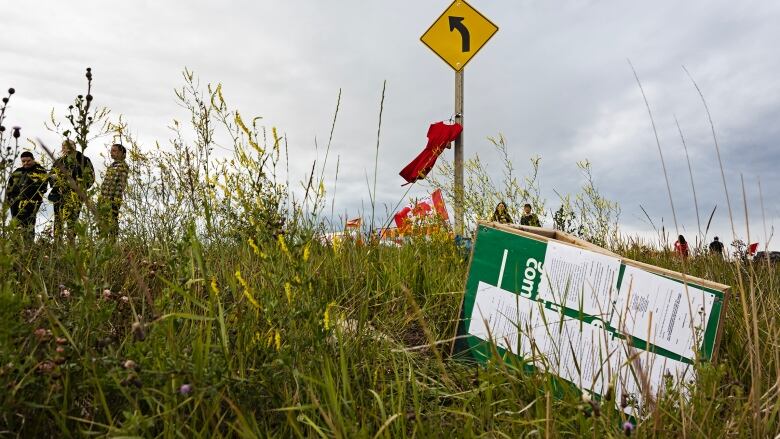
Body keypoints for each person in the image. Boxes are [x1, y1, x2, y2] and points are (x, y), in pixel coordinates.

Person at [48, 140, 94, 239]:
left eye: (69, 145)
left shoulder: (83, 160)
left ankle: (71, 244)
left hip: (75, 195)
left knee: (72, 220)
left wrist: (79, 186)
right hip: (59, 195)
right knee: (58, 220)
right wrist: (55, 184)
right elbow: (50, 177)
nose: (66, 147)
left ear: (75, 146)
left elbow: (91, 177)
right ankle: (57, 244)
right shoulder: (58, 161)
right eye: (63, 146)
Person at [3, 152, 48, 242]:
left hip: (31, 202)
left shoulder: (40, 171)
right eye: (23, 161)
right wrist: (7, 203)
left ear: (33, 159)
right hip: (15, 203)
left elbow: (43, 188)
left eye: (28, 161)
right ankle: (17, 247)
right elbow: (9, 188)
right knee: (16, 224)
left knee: (28, 225)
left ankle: (29, 246)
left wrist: (29, 196)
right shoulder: (17, 172)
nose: (26, 163)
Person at [98, 143, 130, 238]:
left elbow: (120, 185)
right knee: (102, 222)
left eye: (114, 151)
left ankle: (113, 242)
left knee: (112, 221)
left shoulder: (122, 166)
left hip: (112, 199)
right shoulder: (112, 165)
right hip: (104, 198)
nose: (111, 153)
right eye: (111, 151)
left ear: (121, 153)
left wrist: (114, 201)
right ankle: (103, 241)